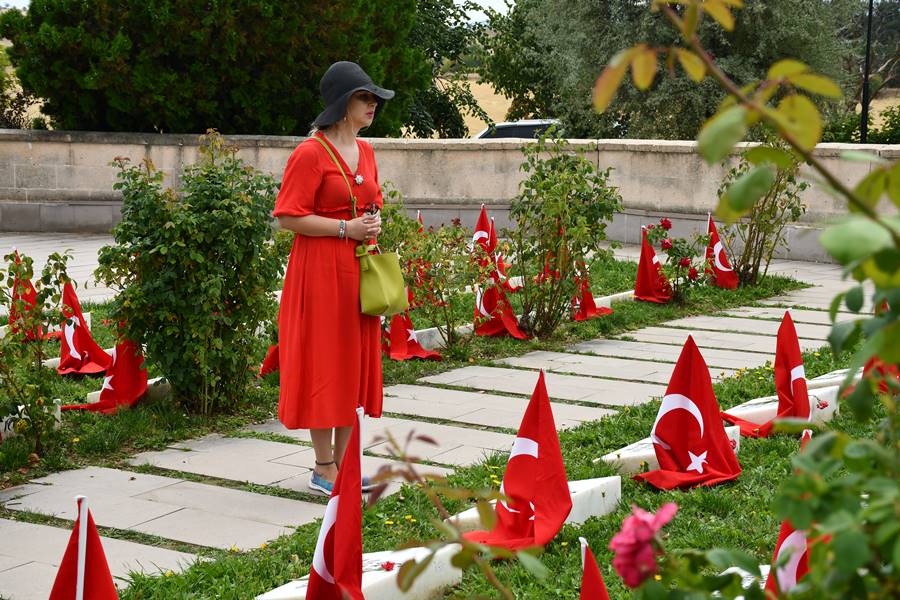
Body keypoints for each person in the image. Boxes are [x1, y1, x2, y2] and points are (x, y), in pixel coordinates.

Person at [273, 62, 394, 494]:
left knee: (351, 366)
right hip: (320, 270)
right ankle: (323, 466)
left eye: (374, 98)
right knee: (325, 362)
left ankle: (343, 465)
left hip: (358, 268)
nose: (373, 104)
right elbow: (288, 217)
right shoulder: (310, 153)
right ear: (343, 104)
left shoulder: (368, 151)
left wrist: (372, 222)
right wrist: (346, 228)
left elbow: (372, 199)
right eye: (365, 97)